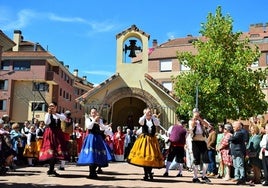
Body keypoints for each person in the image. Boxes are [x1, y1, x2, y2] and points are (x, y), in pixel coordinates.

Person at [128, 107, 164, 181]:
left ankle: (149, 172)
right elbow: (140, 122)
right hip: (144, 140)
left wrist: (153, 116)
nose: (149, 113)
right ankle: (146, 174)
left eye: (150, 112)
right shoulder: (143, 119)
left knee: (152, 157)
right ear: (145, 113)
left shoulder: (153, 120)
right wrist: (145, 115)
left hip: (152, 140)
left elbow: (157, 123)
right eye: (148, 112)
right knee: (144, 157)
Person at [77, 108, 113, 179]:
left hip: (98, 138)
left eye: (95, 112)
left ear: (97, 113)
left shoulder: (99, 120)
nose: (94, 114)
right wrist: (94, 120)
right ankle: (91, 172)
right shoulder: (88, 119)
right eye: (92, 113)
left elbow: (102, 128)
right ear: (90, 113)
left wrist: (107, 126)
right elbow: (88, 126)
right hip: (91, 138)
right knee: (91, 155)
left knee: (97, 155)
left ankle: (94, 171)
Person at [39, 102, 69, 177]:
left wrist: (55, 113)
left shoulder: (59, 114)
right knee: (51, 151)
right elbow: (47, 122)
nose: (51, 107)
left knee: (57, 151)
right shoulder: (47, 114)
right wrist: (49, 114)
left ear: (56, 107)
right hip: (50, 133)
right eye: (50, 106)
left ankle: (51, 169)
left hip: (58, 134)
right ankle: (51, 169)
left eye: (52, 106)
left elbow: (64, 119)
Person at [188, 109, 211, 183]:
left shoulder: (202, 120)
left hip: (202, 141)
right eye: (195, 113)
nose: (196, 114)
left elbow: (208, 126)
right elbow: (191, 127)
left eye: (197, 113)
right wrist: (194, 120)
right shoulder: (191, 121)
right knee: (196, 160)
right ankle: (195, 177)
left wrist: (200, 119)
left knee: (206, 159)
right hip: (195, 142)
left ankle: (203, 176)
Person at [229, 121, 247, 185]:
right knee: (235, 165)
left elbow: (233, 139)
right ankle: (237, 177)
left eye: (234, 126)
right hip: (234, 151)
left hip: (239, 151)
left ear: (238, 126)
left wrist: (230, 137)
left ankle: (242, 178)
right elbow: (232, 138)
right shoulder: (235, 132)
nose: (233, 127)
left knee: (240, 165)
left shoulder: (240, 132)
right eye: (233, 126)